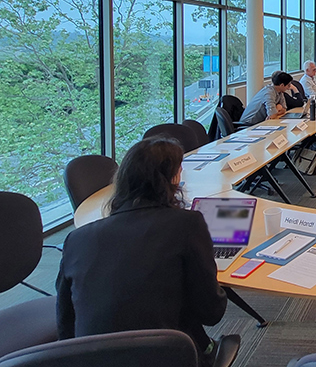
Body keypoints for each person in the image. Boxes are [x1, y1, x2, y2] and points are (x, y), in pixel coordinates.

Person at [56, 138, 228, 367]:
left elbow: (66, 322)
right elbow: (211, 313)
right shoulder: (186, 224)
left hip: (92, 358)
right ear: (171, 180)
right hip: (169, 354)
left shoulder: (76, 239)